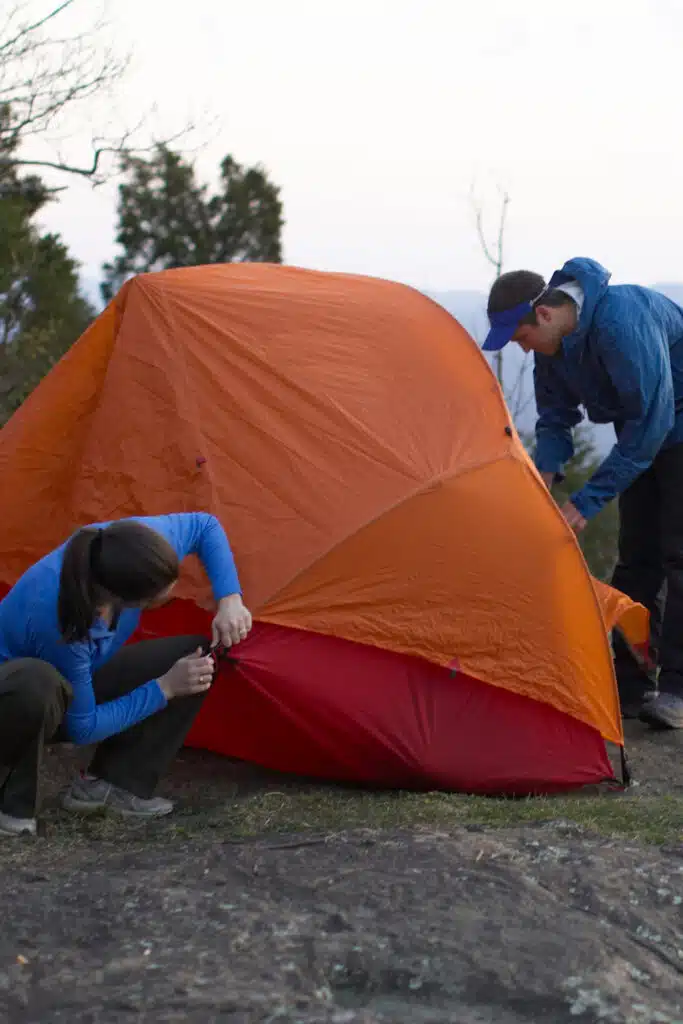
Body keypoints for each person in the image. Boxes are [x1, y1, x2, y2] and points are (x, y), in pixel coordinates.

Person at [483, 257, 683, 730]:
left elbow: (651, 425)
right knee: (637, 557)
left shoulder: (620, 320)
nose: (523, 348)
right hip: (644, 433)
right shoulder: (554, 350)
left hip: (671, 423)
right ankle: (633, 687)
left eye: (522, 337)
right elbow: (554, 420)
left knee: (679, 555)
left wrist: (587, 503)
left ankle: (677, 688)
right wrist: (543, 485)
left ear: (546, 315)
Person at [0, 512, 253, 837]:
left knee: (193, 657)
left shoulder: (135, 549)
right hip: (15, 698)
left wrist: (230, 599)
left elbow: (205, 525)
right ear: (123, 602)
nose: (173, 593)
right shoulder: (61, 620)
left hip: (70, 682)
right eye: (162, 594)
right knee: (39, 682)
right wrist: (164, 688)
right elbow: (83, 727)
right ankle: (10, 805)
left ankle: (111, 785)